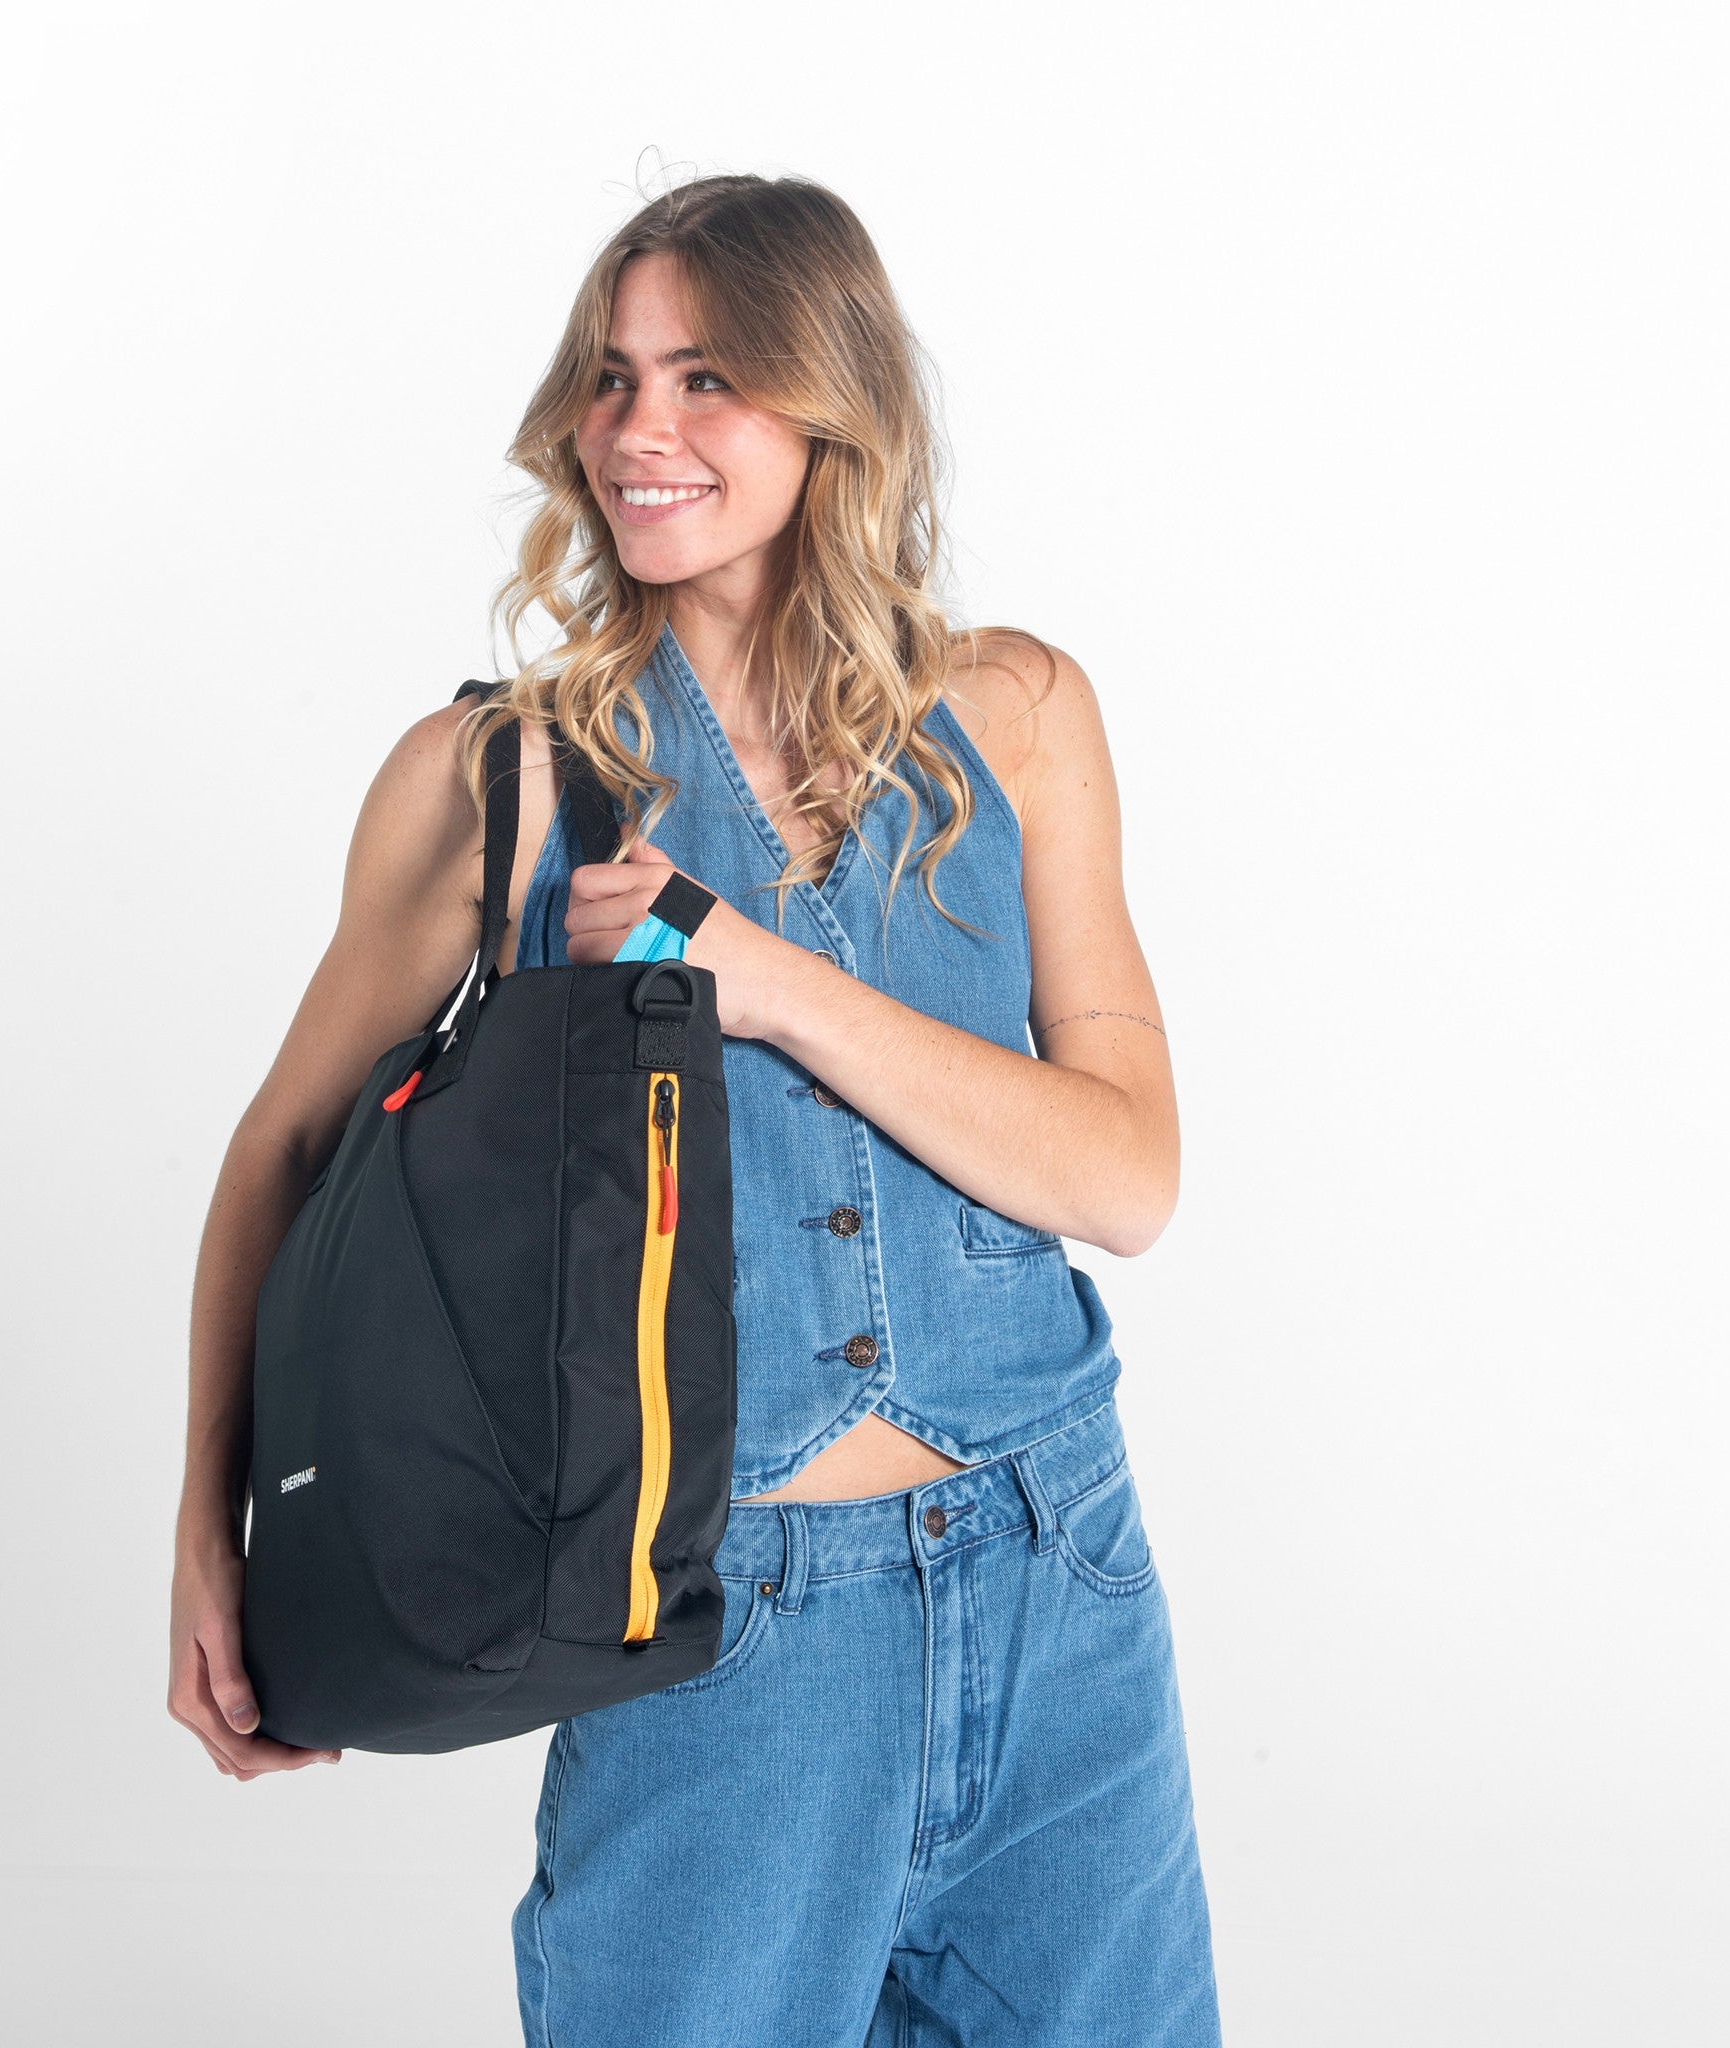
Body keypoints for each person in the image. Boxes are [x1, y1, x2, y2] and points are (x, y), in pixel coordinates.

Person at [170, 170, 1222, 2046]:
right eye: (613, 378)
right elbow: (289, 1153)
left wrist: (759, 974)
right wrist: (212, 1531)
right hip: (719, 1633)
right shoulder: (497, 782)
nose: (640, 430)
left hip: (1060, 1583)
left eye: (707, 377)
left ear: (834, 408)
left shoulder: (1016, 716)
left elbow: (1127, 1178)